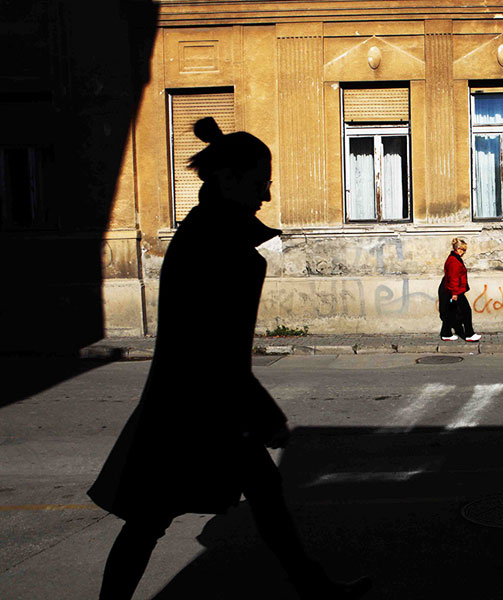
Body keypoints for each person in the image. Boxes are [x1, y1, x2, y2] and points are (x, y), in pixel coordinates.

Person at [87, 117, 370, 600]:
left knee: (244, 497)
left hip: (199, 404)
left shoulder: (210, 234)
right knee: (155, 517)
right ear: (228, 178)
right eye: (259, 183)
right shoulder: (215, 244)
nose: (266, 195)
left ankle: (313, 587)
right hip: (196, 409)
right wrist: (263, 414)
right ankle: (314, 588)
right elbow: (213, 344)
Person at [438, 238, 481, 342]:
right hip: (455, 291)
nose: (464, 252)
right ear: (458, 249)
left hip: (453, 291)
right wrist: (455, 294)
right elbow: (453, 278)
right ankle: (469, 334)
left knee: (451, 312)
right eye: (463, 250)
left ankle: (446, 334)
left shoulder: (454, 258)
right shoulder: (454, 261)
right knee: (466, 311)